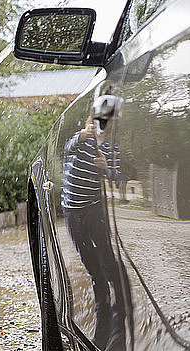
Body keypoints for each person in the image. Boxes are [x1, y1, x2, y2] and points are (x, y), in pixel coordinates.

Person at [61, 116, 127, 351]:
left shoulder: (111, 148)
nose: (100, 126)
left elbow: (118, 178)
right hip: (72, 210)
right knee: (89, 260)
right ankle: (102, 302)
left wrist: (107, 168)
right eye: (96, 121)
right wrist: (83, 135)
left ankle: (119, 302)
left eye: (105, 123)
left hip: (94, 207)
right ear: (89, 121)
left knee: (106, 254)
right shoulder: (81, 140)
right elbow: (67, 148)